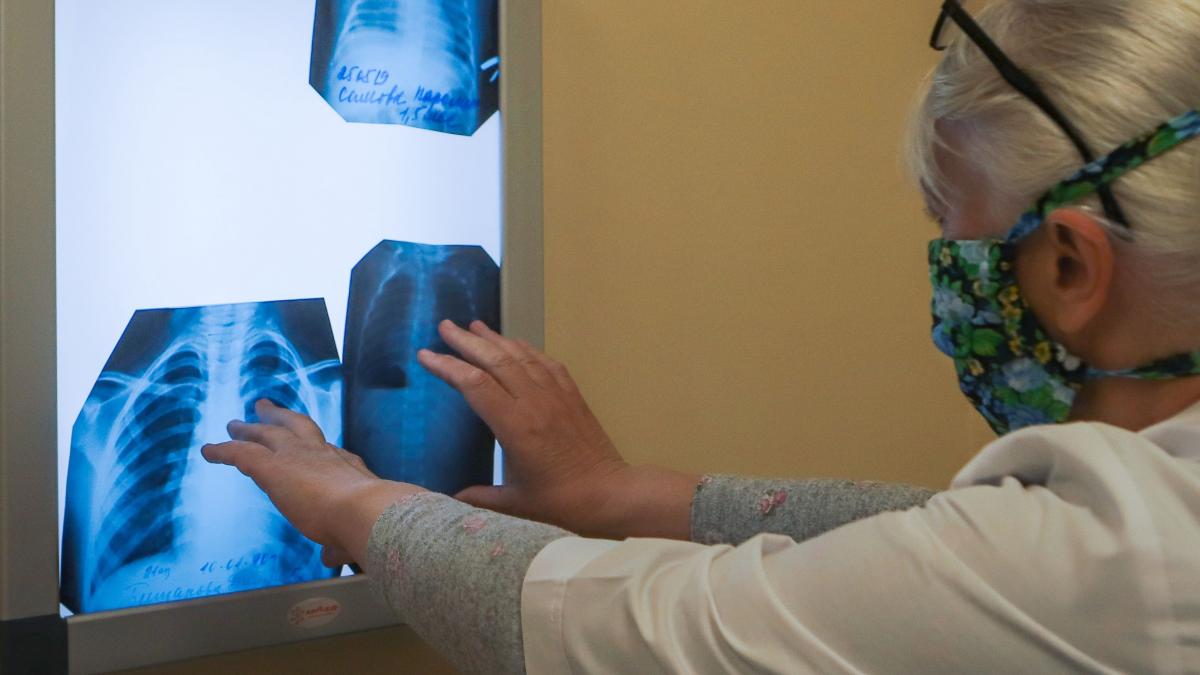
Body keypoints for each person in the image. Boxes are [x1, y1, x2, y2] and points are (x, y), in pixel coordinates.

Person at [202, 0, 1200, 672]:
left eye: (956, 233)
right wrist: (625, 493)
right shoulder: (1135, 518)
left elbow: (621, 629)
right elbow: (931, 533)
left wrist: (354, 501)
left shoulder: (1106, 567)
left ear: (1070, 267)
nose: (948, 272)